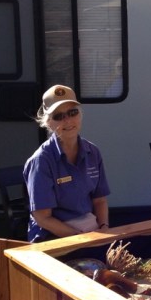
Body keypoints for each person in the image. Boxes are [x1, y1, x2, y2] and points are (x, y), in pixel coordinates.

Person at [24, 84, 110, 243]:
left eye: (72, 112)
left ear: (80, 114)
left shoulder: (93, 152)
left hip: (89, 231)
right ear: (48, 122)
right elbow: (43, 218)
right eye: (58, 116)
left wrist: (104, 227)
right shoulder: (41, 161)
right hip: (51, 237)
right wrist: (80, 239)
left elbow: (100, 200)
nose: (68, 120)